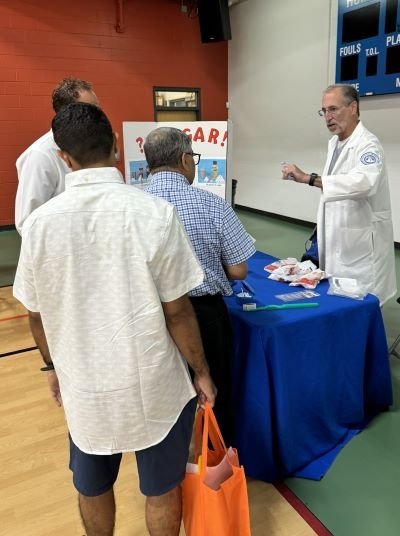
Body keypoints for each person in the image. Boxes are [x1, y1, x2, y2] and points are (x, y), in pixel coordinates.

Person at [13, 103, 216, 536]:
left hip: (84, 386)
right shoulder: (154, 214)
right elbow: (178, 310)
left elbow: (35, 314)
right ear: (119, 146)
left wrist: (51, 368)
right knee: (162, 487)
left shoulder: (39, 226)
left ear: (64, 158)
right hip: (155, 382)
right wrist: (201, 371)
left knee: (91, 485)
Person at [144, 127, 256, 444]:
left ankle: (167, 461)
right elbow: (238, 270)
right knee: (213, 389)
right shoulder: (212, 204)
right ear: (184, 159)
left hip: (149, 314)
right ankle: (214, 461)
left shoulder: (133, 205)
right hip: (205, 316)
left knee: (163, 393)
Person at [281, 84, 396, 305]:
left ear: (353, 107)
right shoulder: (335, 143)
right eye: (324, 111)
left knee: (362, 307)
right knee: (338, 304)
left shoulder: (368, 145)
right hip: (337, 240)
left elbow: (364, 182)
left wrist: (309, 178)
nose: (328, 117)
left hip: (361, 249)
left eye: (333, 109)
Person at [15, 77, 99, 234]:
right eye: (91, 108)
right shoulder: (40, 156)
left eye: (97, 107)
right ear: (67, 113)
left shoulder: (90, 145)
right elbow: (27, 222)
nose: (98, 114)